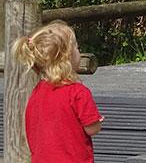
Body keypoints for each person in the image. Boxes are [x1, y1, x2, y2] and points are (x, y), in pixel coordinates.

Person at [12, 20, 104, 162]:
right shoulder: (78, 92)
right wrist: (98, 121)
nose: (79, 52)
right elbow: (92, 129)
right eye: (77, 48)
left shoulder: (38, 92)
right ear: (67, 57)